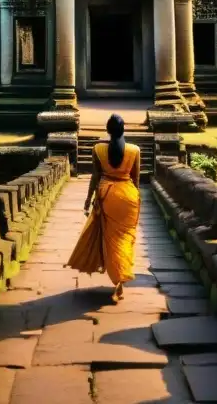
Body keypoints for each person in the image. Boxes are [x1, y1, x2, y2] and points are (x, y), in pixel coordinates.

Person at [66, 113, 141, 302]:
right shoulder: (134, 150)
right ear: (124, 130)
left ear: (108, 130)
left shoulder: (98, 149)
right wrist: (137, 201)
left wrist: (87, 200)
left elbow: (95, 177)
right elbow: (136, 180)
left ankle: (118, 279)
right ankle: (120, 280)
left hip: (107, 197)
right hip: (129, 197)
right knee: (125, 239)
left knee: (111, 240)